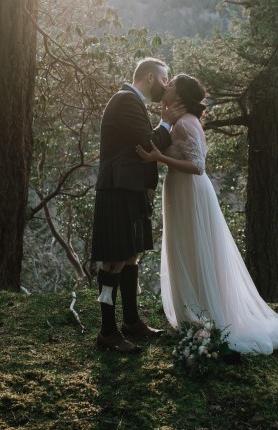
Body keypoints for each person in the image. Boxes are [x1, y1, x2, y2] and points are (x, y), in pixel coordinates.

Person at [136, 74, 278, 354]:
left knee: (197, 249)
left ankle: (207, 311)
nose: (165, 86)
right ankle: (195, 310)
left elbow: (198, 165)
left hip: (190, 191)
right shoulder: (178, 120)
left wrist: (159, 159)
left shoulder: (187, 123)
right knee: (186, 249)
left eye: (171, 84)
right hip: (179, 189)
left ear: (179, 95)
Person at [91, 57, 185, 353]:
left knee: (130, 256)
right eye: (164, 79)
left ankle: (131, 321)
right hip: (118, 189)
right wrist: (167, 123)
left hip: (129, 189)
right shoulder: (126, 101)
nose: (167, 85)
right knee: (113, 260)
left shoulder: (133, 101)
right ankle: (107, 330)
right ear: (149, 77)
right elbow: (146, 145)